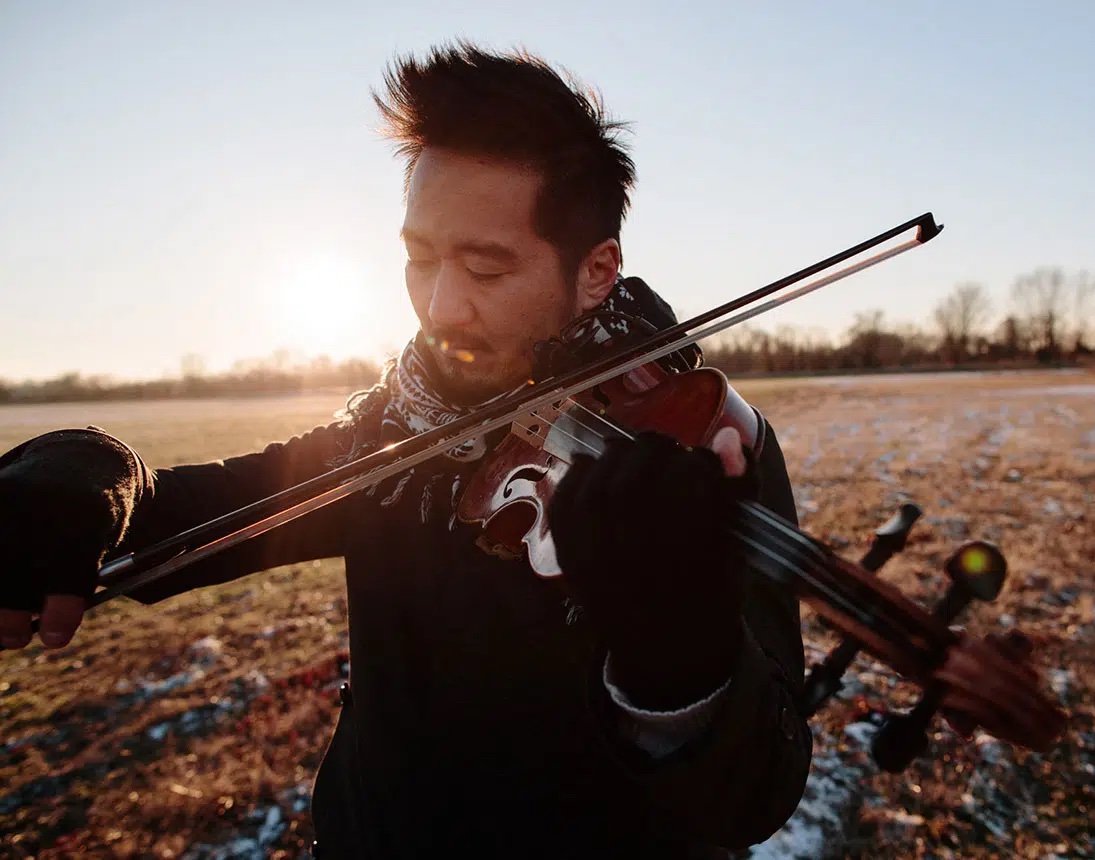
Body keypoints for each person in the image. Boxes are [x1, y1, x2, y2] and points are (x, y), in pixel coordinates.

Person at [0, 43, 812, 858]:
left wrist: (680, 658)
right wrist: (85, 470)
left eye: (486, 270)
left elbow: (755, 796)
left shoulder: (697, 445)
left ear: (598, 269)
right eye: (420, 259)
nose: (440, 307)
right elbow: (187, 514)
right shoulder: (393, 430)